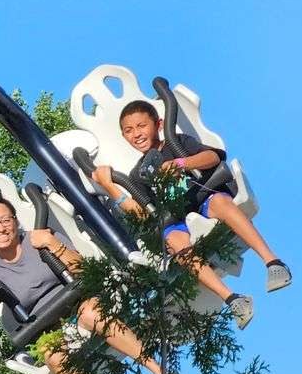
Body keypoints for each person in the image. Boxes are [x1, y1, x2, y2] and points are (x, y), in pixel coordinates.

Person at [0, 188, 186, 374]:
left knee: (92, 313)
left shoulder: (41, 236)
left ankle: (162, 373)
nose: (0, 228)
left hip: (79, 302)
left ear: (15, 220)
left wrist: (52, 244)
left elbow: (81, 268)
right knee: (51, 354)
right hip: (48, 326)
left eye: (5, 220)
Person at [91, 100, 291, 329]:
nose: (136, 134)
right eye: (129, 130)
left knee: (219, 202)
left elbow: (214, 157)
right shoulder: (138, 174)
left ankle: (273, 262)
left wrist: (181, 163)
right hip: (176, 218)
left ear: (157, 124)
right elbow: (141, 213)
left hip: (201, 198)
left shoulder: (177, 143)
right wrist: (110, 186)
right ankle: (233, 299)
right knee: (174, 241)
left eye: (141, 126)